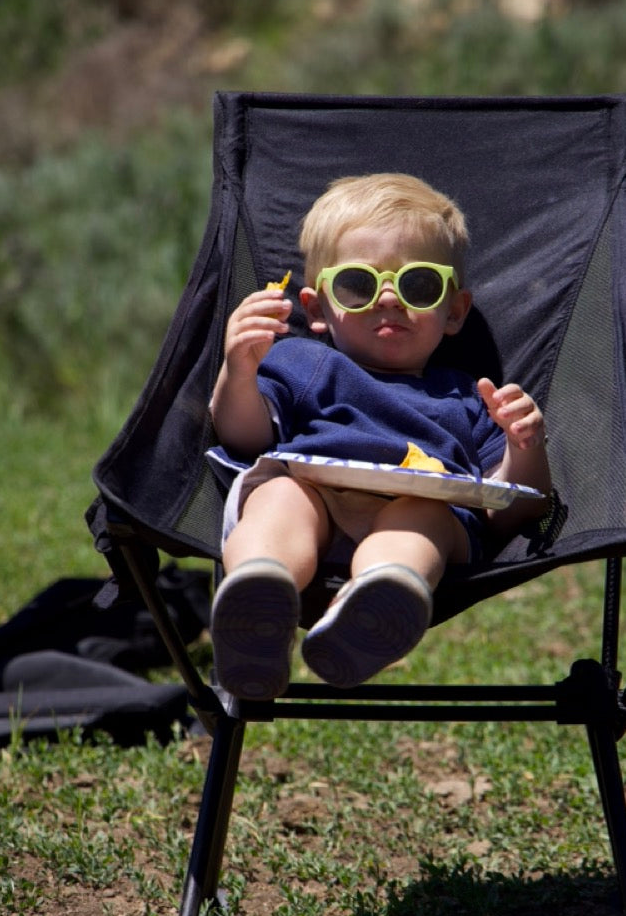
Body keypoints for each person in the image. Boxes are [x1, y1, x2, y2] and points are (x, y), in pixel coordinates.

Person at [208, 172, 553, 698]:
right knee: (278, 496)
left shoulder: (468, 395)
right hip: (313, 491)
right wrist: (238, 370)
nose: (389, 300)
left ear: (454, 311)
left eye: (418, 285)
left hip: (424, 505)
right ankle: (259, 593)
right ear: (317, 308)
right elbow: (244, 438)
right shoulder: (300, 362)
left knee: (422, 517)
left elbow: (512, 508)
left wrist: (524, 445)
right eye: (358, 284)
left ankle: (375, 603)